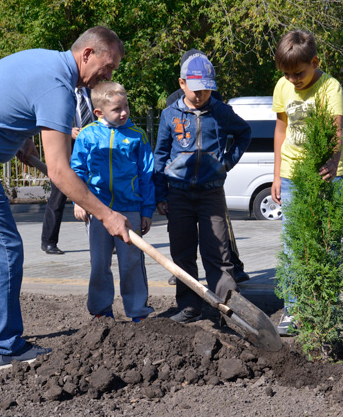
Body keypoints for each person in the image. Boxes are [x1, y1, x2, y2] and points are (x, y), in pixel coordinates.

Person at [0, 26, 132, 370]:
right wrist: (107, 215)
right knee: (4, 250)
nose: (108, 75)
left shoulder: (44, 61)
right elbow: (60, 172)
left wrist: (23, 136)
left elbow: (10, 97)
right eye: (107, 67)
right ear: (87, 54)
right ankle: (4, 347)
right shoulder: (59, 87)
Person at [153, 49, 251, 323]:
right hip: (178, 194)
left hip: (211, 194)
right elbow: (160, 155)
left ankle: (228, 309)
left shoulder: (221, 111)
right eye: (196, 90)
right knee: (182, 253)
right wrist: (161, 194)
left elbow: (244, 133)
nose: (201, 95)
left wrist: (226, 162)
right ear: (182, 83)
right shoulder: (169, 115)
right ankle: (189, 306)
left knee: (218, 252)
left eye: (206, 90)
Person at [270, 29, 343, 336]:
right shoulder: (282, 86)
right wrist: (277, 174)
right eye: (286, 74)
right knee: (294, 246)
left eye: (298, 74)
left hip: (325, 175)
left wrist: (332, 161)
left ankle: (326, 309)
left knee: (327, 244)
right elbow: (281, 130)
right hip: (291, 174)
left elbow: (336, 131)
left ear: (315, 62)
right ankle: (294, 309)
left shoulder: (331, 87)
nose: (292, 80)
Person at [71, 82, 156, 322]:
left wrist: (147, 210)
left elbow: (147, 175)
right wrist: (79, 201)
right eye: (117, 109)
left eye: (126, 106)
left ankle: (138, 310)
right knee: (99, 263)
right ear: (99, 112)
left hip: (130, 208)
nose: (124, 112)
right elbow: (77, 171)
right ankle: (101, 310)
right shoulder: (87, 135)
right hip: (98, 209)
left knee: (132, 262)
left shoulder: (137, 135)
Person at [166, 88, 250, 283]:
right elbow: (170, 143)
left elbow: (239, 132)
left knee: (219, 234)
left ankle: (234, 267)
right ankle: (183, 274)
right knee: (182, 237)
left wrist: (225, 162)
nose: (199, 95)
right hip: (180, 184)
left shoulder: (215, 99)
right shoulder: (173, 102)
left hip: (211, 183)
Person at [40, 85, 94, 255]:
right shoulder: (62, 93)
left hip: (92, 149)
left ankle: (103, 240)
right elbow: (48, 120)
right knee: (58, 196)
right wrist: (67, 131)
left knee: (98, 192)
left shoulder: (93, 92)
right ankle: (49, 241)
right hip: (66, 150)